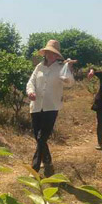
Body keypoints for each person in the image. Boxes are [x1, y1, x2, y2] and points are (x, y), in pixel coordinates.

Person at [26, 39, 76, 174]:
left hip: (51, 107)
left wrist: (69, 71)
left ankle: (35, 167)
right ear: (45, 53)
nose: (49, 55)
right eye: (48, 52)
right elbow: (31, 82)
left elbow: (69, 83)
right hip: (36, 106)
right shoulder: (39, 67)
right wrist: (30, 92)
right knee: (38, 136)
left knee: (42, 137)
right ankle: (47, 160)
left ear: (57, 55)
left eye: (52, 53)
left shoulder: (61, 68)